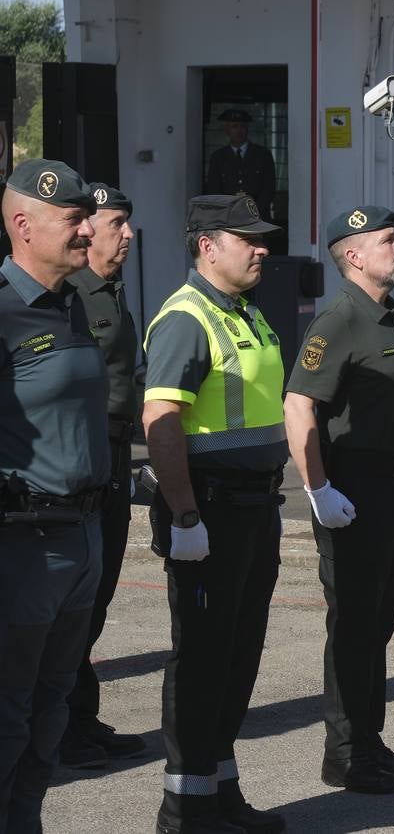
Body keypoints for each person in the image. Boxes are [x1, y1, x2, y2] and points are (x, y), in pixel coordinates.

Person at [142, 194, 289, 834]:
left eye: (264, 238)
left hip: (255, 509)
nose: (262, 248)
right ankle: (184, 807)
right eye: (247, 238)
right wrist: (183, 517)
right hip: (210, 512)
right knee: (202, 660)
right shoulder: (186, 317)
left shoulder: (246, 313)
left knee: (238, 656)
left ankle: (220, 791)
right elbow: (161, 420)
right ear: (208, 246)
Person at [282, 206, 394, 795]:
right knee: (354, 626)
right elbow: (299, 404)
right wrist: (318, 488)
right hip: (355, 488)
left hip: (392, 484)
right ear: (354, 255)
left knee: (378, 623)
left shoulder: (390, 315)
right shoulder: (338, 319)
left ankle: (368, 740)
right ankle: (344, 755)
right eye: (388, 240)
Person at [0, 159, 107, 833]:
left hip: (83, 537)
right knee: (7, 715)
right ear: (22, 225)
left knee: (52, 711)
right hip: (23, 547)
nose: (88, 230)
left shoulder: (78, 302)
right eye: (73, 220)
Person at [61, 183, 148, 769]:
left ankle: (82, 718)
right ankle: (64, 728)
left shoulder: (113, 291)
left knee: (100, 590)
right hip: (89, 454)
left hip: (118, 454)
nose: (127, 234)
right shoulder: (69, 294)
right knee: (78, 597)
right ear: (88, 228)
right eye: (118, 222)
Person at [204, 109, 278, 223]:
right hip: (228, 218)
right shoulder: (218, 157)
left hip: (257, 218)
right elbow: (213, 190)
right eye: (234, 126)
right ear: (227, 130)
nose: (239, 130)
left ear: (247, 129)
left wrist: (253, 211)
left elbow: (269, 188)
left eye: (242, 126)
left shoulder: (262, 155)